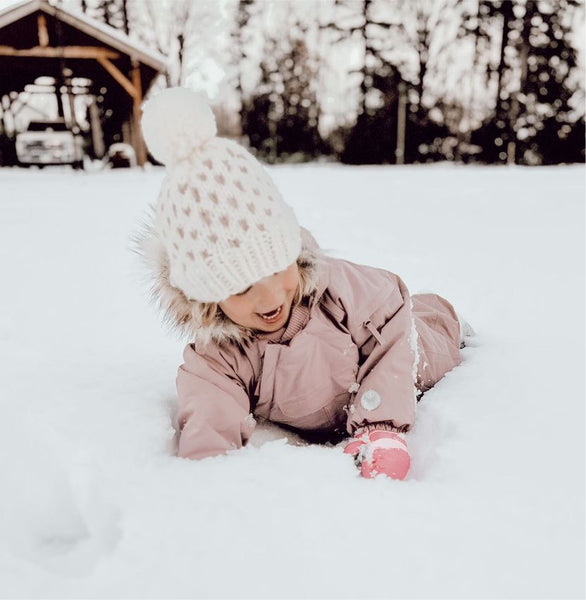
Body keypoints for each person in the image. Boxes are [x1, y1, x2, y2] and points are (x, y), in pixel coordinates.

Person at [138, 87, 471, 480]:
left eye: (277, 268)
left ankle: (450, 318)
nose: (270, 296)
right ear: (207, 297)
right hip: (325, 397)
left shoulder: (336, 288)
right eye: (241, 288)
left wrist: (378, 428)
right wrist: (208, 468)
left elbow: (392, 313)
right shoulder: (218, 356)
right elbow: (210, 410)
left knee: (431, 336)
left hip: (398, 356)